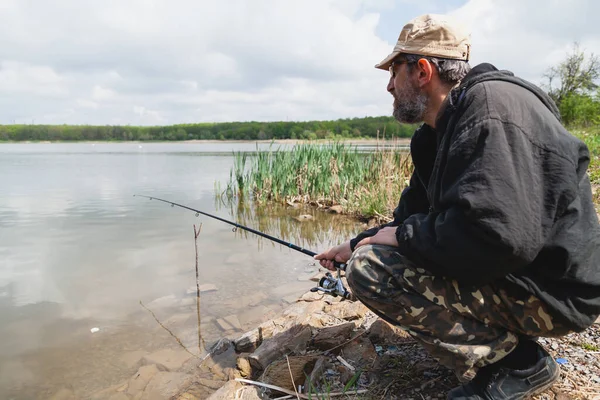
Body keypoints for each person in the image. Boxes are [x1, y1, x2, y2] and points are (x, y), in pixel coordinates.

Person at [315, 13, 600, 399]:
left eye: (393, 71)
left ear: (422, 71)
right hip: (523, 269)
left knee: (370, 271)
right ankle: (506, 341)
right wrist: (357, 243)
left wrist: (394, 240)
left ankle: (520, 364)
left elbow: (498, 238)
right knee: (367, 254)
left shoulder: (491, 111)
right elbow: (410, 217)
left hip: (555, 290)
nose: (388, 86)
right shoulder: (437, 133)